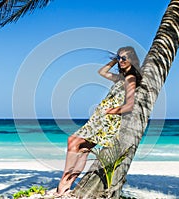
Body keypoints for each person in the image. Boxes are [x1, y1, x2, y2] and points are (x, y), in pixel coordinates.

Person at [54, 46, 142, 196]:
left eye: (124, 58)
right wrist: (115, 60)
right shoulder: (121, 78)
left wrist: (111, 111)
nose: (121, 60)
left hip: (107, 120)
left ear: (132, 60)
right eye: (119, 57)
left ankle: (64, 180)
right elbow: (101, 72)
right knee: (82, 150)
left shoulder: (130, 78)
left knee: (72, 141)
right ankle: (66, 186)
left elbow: (129, 105)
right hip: (98, 119)